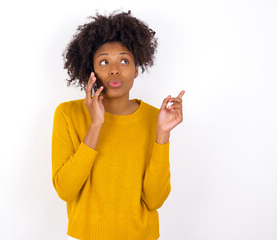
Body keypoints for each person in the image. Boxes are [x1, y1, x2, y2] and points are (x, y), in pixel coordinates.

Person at [51, 10, 185, 240]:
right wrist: (96, 125)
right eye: (104, 61)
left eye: (124, 60)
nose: (114, 69)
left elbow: (154, 200)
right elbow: (65, 190)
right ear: (91, 71)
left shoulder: (156, 118)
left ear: (136, 70)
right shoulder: (68, 114)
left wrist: (162, 133)